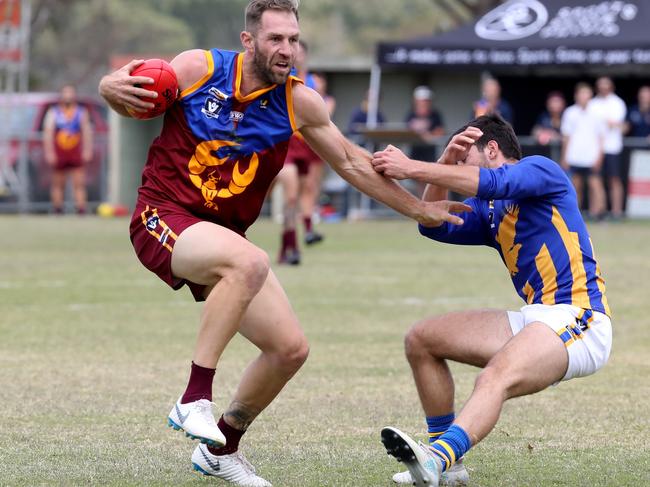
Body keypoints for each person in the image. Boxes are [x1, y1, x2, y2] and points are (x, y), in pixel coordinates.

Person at [98, 1, 467, 485]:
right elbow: (131, 90)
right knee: (249, 261)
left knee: (289, 349)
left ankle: (222, 448)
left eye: (293, 39)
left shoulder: (299, 102)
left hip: (223, 239)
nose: (287, 49)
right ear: (249, 41)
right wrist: (108, 87)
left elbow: (354, 165)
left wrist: (420, 210)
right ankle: (194, 397)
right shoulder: (198, 68)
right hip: (161, 215)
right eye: (276, 39)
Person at [370, 114, 612, 487]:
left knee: (494, 376)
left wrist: (412, 168)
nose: (460, 174)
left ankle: (435, 460)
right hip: (537, 319)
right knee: (421, 340)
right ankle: (451, 468)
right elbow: (431, 222)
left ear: (492, 149)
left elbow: (495, 181)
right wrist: (444, 164)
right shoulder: (489, 210)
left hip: (580, 318)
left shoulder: (540, 170)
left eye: (464, 162)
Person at [275, 41, 331, 265]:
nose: (295, 56)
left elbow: (321, 111)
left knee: (307, 190)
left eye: (299, 52)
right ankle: (294, 247)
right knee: (290, 196)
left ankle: (295, 240)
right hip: (286, 144)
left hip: (307, 144)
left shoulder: (313, 83)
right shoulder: (279, 78)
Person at [43, 84, 93, 214]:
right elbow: (48, 133)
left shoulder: (81, 112)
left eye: (70, 93)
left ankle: (81, 209)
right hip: (60, 152)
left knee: (79, 183)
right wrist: (49, 152)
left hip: (75, 152)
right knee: (58, 183)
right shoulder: (54, 112)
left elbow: (87, 131)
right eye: (65, 93)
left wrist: (87, 150)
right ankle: (57, 209)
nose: (68, 96)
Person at [560, 83, 607, 220]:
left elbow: (602, 137)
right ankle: (576, 214)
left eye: (586, 93)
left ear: (590, 96)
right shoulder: (570, 112)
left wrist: (599, 156)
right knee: (575, 186)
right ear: (576, 95)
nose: (583, 97)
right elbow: (566, 137)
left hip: (591, 156)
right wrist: (564, 157)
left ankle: (599, 214)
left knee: (595, 185)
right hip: (574, 156)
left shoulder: (597, 113)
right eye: (581, 94)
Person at [588, 77, 627, 220]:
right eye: (601, 85)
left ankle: (616, 212)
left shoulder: (617, 103)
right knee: (594, 179)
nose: (603, 88)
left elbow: (614, 123)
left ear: (611, 87)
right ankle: (595, 211)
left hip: (612, 148)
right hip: (594, 148)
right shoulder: (593, 103)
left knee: (614, 179)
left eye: (606, 85)